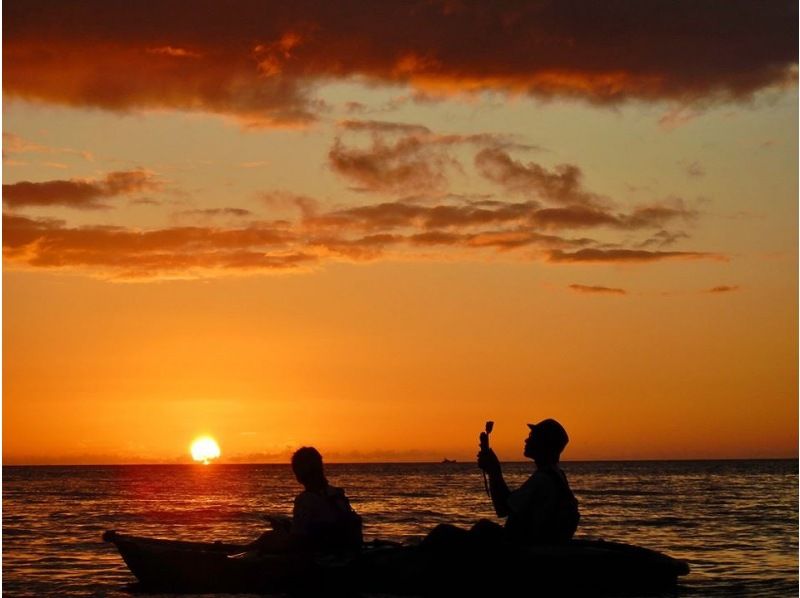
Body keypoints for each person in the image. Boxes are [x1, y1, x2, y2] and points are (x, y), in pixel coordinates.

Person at [478, 418, 579, 544]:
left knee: (480, 528)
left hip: (527, 547)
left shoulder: (542, 479)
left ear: (544, 444)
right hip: (538, 543)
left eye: (532, 436)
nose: (527, 440)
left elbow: (503, 508)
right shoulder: (556, 474)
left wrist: (494, 471)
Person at [247, 447, 362, 553]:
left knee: (268, 537)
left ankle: (239, 555)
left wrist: (281, 531)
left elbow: (298, 540)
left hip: (316, 555)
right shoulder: (337, 494)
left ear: (299, 474)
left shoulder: (306, 500)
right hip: (337, 549)